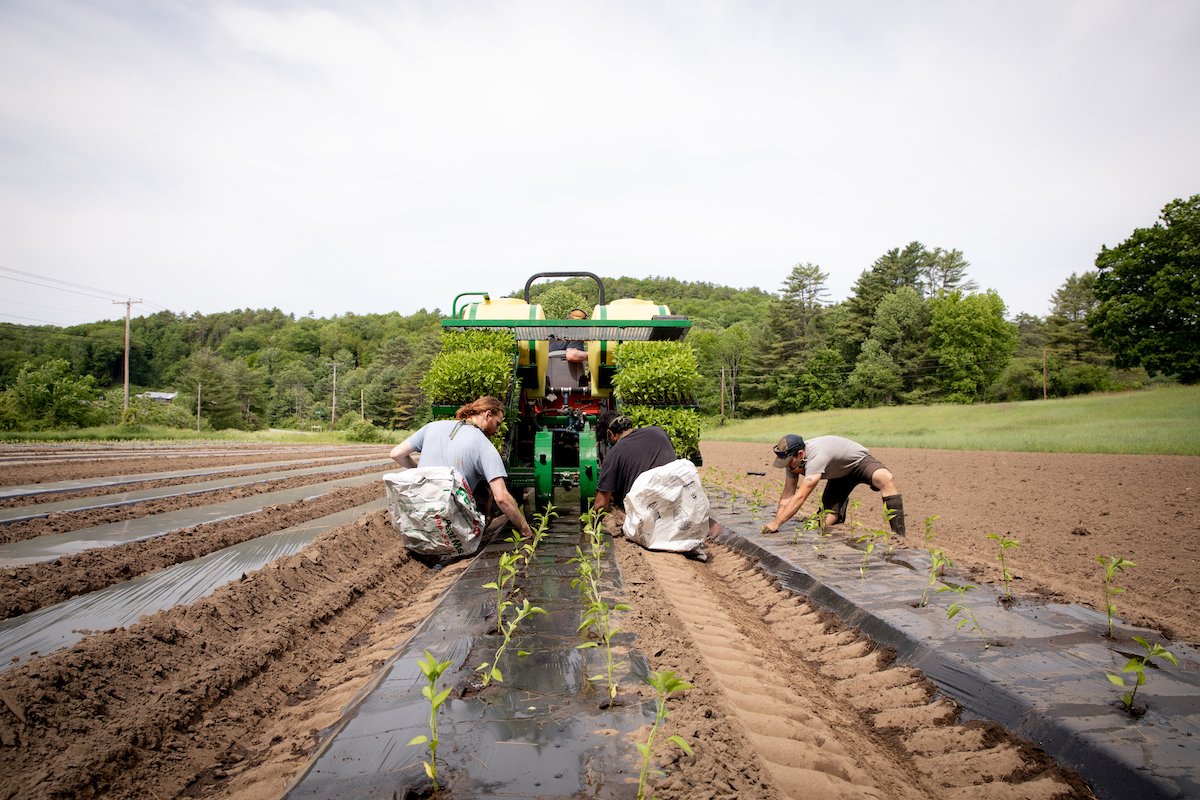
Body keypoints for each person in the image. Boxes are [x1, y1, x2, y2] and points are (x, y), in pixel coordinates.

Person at [389, 396, 534, 538]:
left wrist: (420, 470)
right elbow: (502, 497)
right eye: (497, 423)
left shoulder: (432, 426)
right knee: (485, 491)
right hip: (450, 525)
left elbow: (396, 454)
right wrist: (526, 530)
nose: (497, 430)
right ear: (488, 414)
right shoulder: (485, 447)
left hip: (418, 514)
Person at [761, 434, 906, 539]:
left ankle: (899, 537)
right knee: (825, 521)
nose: (787, 465)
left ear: (800, 453)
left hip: (858, 463)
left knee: (885, 478)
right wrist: (776, 522)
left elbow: (801, 496)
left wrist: (777, 523)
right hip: (838, 476)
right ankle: (839, 507)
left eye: (788, 461)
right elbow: (788, 493)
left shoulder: (817, 456)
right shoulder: (792, 462)